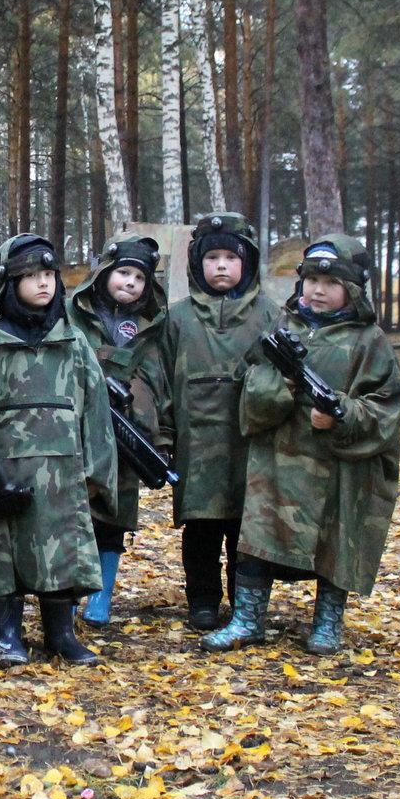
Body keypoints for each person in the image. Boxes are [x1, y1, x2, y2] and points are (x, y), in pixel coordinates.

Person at [202, 236, 400, 654]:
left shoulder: (369, 342)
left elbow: (386, 405)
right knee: (257, 540)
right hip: (276, 460)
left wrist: (341, 415)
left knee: (335, 542)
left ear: (351, 289)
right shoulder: (280, 327)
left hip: (336, 466)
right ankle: (247, 619)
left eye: (329, 283)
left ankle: (328, 623)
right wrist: (279, 387)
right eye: (311, 280)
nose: (316, 290)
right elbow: (249, 381)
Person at [0, 233, 117, 668]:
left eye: (48, 276)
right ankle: (4, 632)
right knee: (3, 555)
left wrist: (95, 476)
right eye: (31, 276)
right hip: (7, 480)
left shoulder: (74, 346)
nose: (43, 284)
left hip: (63, 478)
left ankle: (61, 634)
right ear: (9, 284)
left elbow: (96, 415)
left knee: (63, 552)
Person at [146, 213, 276, 631]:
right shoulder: (178, 318)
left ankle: (246, 603)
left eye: (230, 258)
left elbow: (286, 377)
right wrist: (163, 436)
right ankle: (202, 600)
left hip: (252, 445)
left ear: (248, 264)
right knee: (200, 528)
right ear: (197, 264)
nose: (221, 265)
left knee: (246, 528)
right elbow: (161, 379)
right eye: (212, 257)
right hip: (195, 445)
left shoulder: (269, 315)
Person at [65, 235, 167, 627]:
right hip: (76, 433)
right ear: (104, 273)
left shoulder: (147, 326)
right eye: (123, 273)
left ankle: (100, 598)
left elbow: (156, 379)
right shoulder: (75, 314)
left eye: (139, 278)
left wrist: (142, 415)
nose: (130, 283)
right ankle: (69, 596)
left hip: (126, 436)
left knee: (115, 517)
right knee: (77, 515)